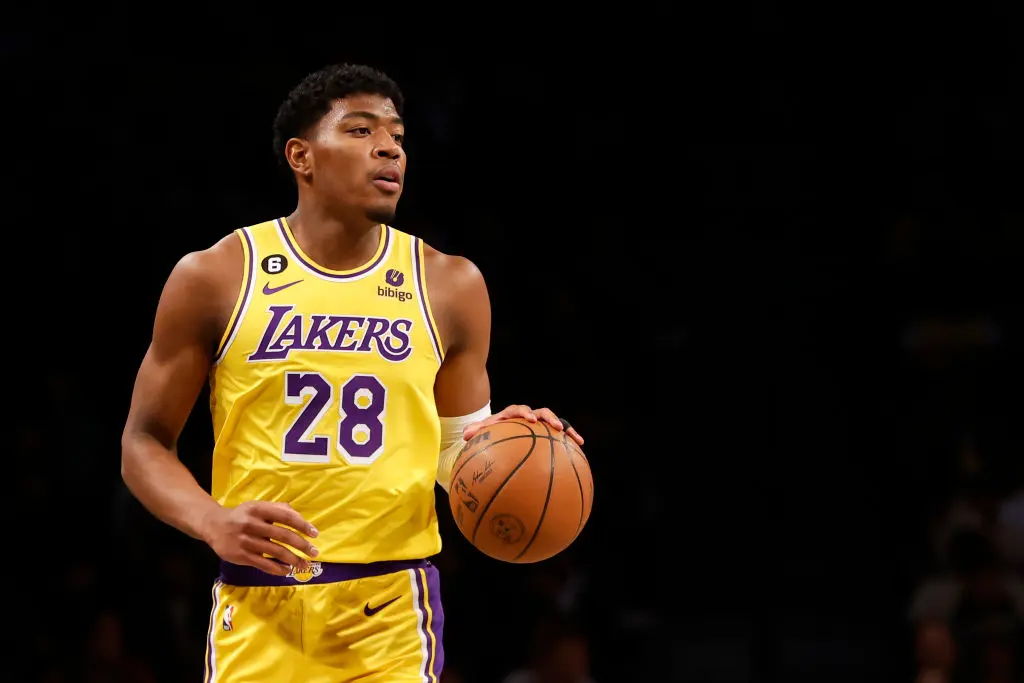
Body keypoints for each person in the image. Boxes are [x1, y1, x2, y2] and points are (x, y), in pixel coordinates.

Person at [120, 63, 584, 683]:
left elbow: (453, 456)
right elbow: (143, 443)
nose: (389, 146)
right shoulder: (216, 275)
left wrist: (506, 445)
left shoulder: (450, 285)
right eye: (360, 130)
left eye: (396, 134)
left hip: (389, 608)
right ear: (301, 156)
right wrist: (211, 521)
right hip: (258, 602)